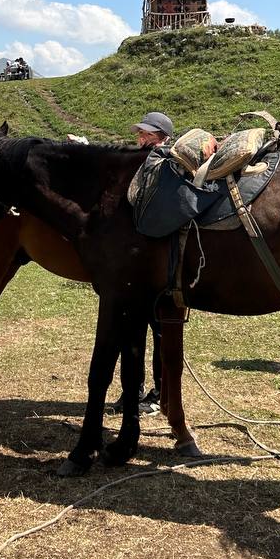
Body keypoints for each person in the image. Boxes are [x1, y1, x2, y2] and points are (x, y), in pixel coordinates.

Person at [111, 110, 174, 414]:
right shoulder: (141, 164)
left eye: (148, 134)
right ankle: (133, 392)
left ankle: (160, 393)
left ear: (162, 136)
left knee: (161, 331)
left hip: (161, 267)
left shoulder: (168, 164)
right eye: (140, 134)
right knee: (131, 331)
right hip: (137, 264)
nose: (141, 138)